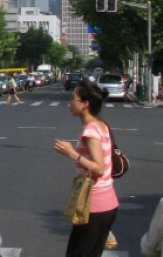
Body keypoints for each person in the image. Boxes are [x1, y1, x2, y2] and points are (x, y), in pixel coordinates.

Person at [54, 80, 118, 257]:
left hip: (94, 205)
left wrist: (71, 153)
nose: (70, 102)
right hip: (108, 203)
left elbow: (99, 168)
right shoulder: (101, 125)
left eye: (73, 99)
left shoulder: (90, 130)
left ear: (85, 104)